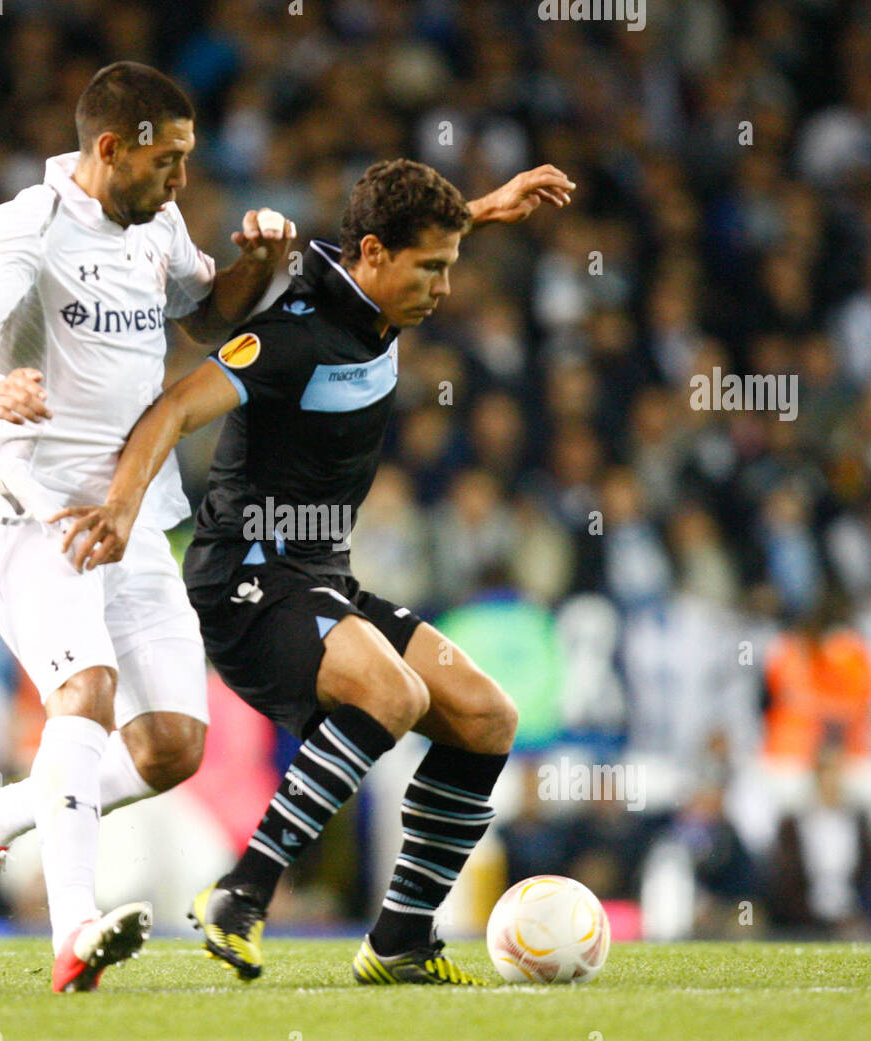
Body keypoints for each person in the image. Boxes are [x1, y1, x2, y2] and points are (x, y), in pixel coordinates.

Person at [53, 157, 574, 984]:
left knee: (485, 717)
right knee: (394, 694)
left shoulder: (377, 291)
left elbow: (422, 236)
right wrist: (120, 506)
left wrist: (489, 208)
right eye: (433, 267)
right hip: (247, 577)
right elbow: (176, 406)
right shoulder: (296, 329)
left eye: (451, 264)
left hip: (322, 575)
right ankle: (242, 893)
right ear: (372, 253)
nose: (443, 286)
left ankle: (401, 937)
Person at [0, 62, 293, 992]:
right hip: (32, 509)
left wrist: (263, 263)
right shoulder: (24, 227)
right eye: (167, 161)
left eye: (190, 161)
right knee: (84, 688)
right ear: (110, 148)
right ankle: (74, 928)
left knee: (171, 745)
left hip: (132, 517)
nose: (182, 181)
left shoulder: (157, 225)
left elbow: (205, 318)